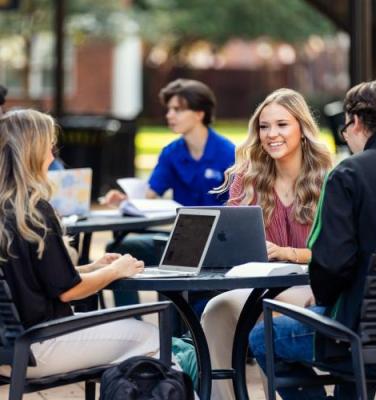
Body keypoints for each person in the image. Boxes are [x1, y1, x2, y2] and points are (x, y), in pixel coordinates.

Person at [249, 76, 376, 399]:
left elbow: (331, 262)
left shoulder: (350, 175)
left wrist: (322, 297)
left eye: (346, 126)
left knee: (263, 338)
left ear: (357, 122)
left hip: (360, 333)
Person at [0, 109, 160, 378]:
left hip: (9, 347)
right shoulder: (33, 211)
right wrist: (115, 270)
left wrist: (92, 267)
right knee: (153, 336)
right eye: (48, 146)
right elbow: (68, 292)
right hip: (39, 345)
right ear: (32, 152)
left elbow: (38, 279)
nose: (53, 155)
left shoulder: (10, 209)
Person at [201, 88, 332, 400]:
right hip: (260, 283)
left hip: (315, 284)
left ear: (302, 128)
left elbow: (337, 251)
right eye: (264, 126)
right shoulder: (247, 178)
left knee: (265, 311)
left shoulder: (331, 178)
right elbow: (230, 241)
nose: (271, 134)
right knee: (216, 310)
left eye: (282, 125)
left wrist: (288, 253)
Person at [104, 79, 235, 308]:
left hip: (219, 241)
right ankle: (130, 319)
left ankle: (182, 329)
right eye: (169, 109)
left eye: (178, 109)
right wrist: (125, 200)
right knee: (118, 251)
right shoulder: (171, 153)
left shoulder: (227, 152)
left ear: (199, 113)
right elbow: (150, 194)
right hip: (181, 239)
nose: (169, 115)